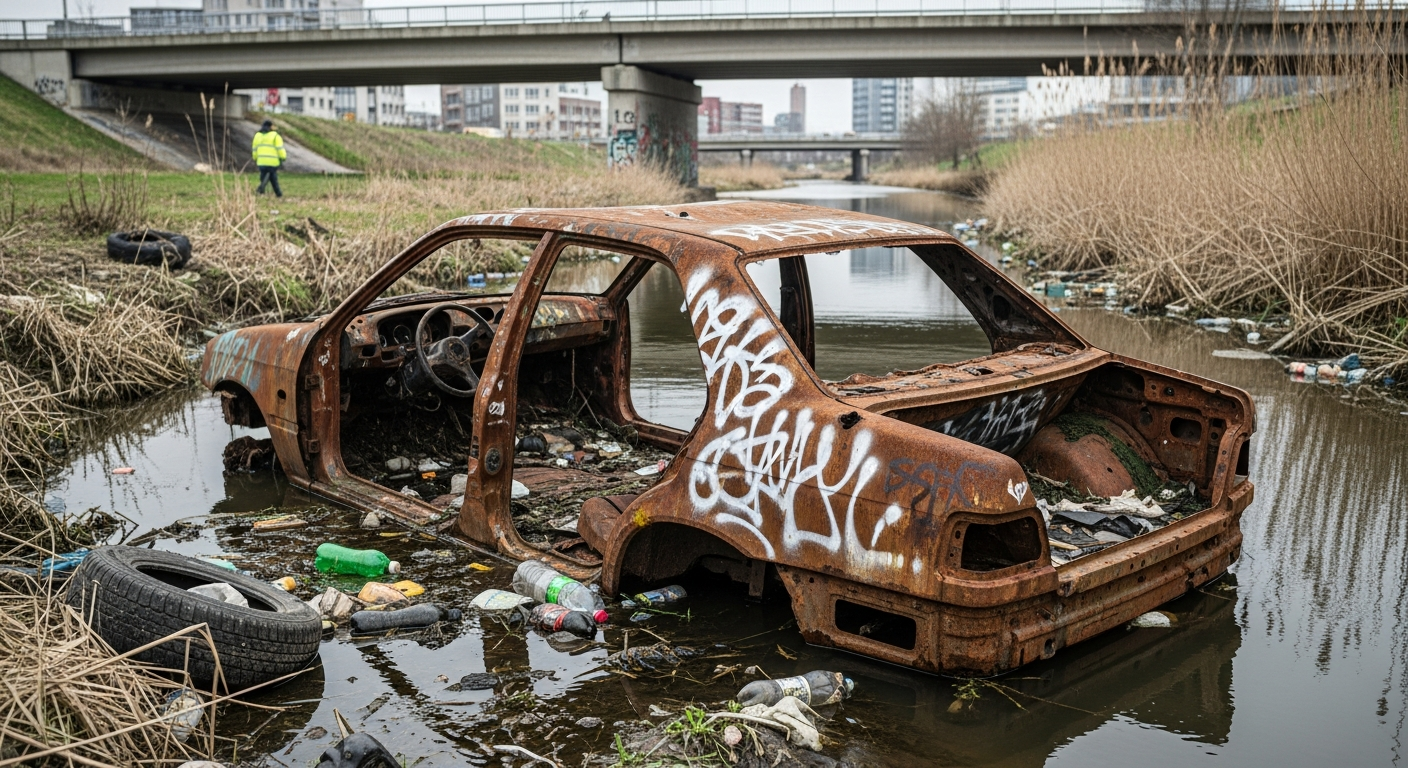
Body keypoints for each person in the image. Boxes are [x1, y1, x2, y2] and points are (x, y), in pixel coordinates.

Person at [252, 119, 286, 197]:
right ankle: (277, 193)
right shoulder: (275, 136)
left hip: (261, 161)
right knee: (273, 177)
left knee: (264, 175)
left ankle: (261, 190)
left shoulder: (257, 136)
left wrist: (255, 158)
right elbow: (280, 149)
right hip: (272, 162)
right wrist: (283, 157)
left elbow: (254, 149)